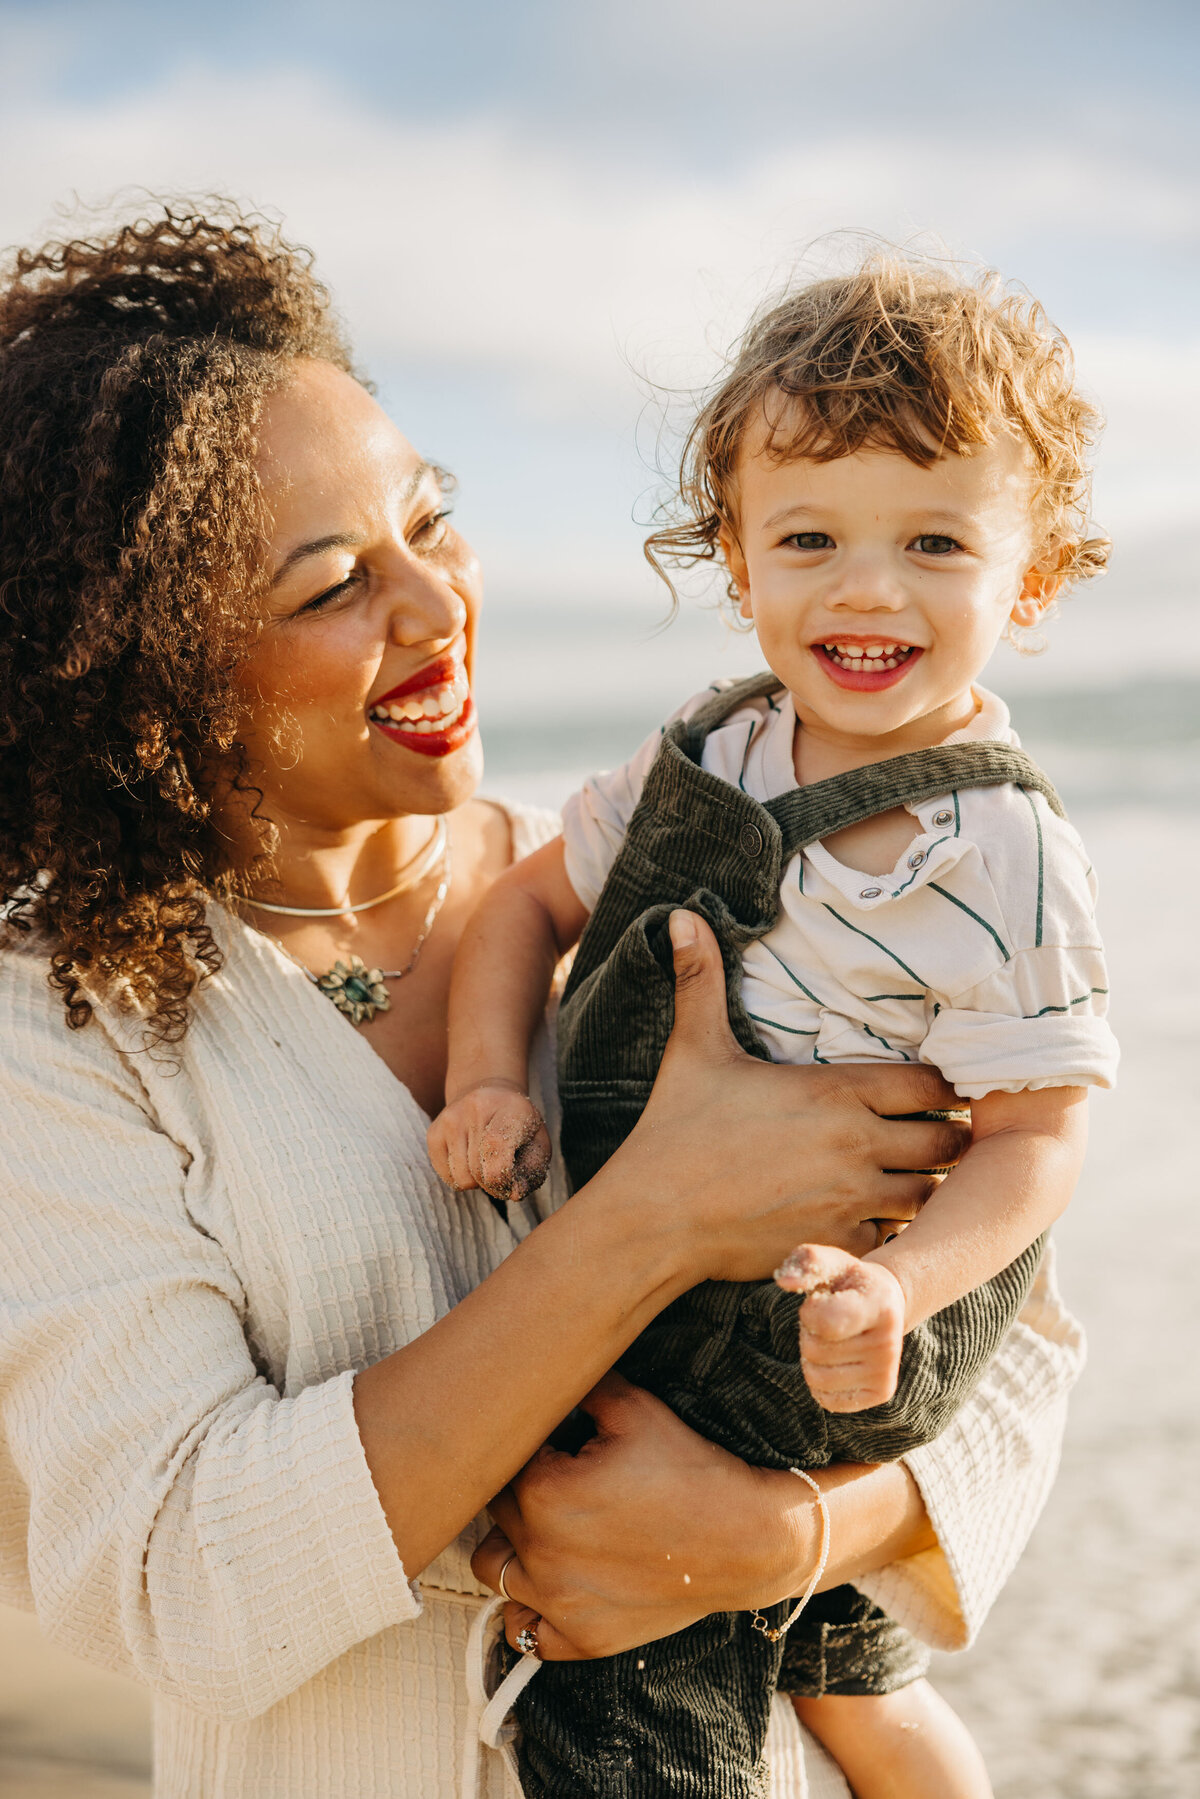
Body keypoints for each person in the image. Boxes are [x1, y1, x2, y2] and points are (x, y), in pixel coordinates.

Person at [0, 206, 1084, 1799]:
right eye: (330, 588)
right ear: (156, 664)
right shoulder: (67, 1022)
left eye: (431, 524)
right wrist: (648, 1219)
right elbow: (179, 1582)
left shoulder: (687, 875)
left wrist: (783, 1538)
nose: (438, 611)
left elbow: (1022, 1347)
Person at [430, 254, 1117, 1798]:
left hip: (824, 1325)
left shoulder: (999, 852)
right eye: (809, 537)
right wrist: (489, 1081)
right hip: (668, 1258)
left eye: (935, 541)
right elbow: (521, 913)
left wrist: (895, 1286)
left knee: (692, 1666)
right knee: (822, 1662)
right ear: (735, 562)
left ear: (1037, 576)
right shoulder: (711, 747)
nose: (866, 589)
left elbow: (1037, 1141)